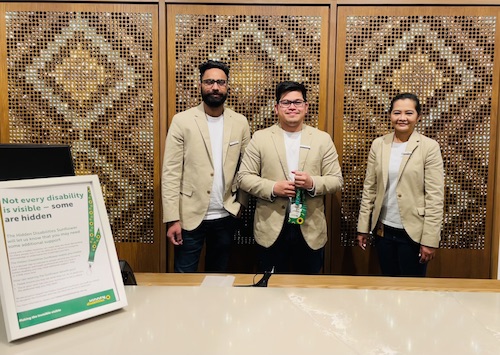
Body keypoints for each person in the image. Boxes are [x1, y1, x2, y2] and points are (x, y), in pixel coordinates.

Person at [237, 81, 343, 274]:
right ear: (277, 108)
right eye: (286, 103)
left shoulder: (322, 139)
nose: (292, 107)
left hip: (310, 228)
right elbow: (243, 177)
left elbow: (336, 179)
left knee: (308, 291)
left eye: (297, 102)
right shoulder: (261, 138)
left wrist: (312, 183)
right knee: (271, 290)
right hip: (270, 228)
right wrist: (273, 187)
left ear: (306, 107)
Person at [161, 60, 250, 273]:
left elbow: (248, 168)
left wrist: (241, 205)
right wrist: (172, 218)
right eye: (209, 82)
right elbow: (171, 172)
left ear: (227, 86)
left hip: (226, 216)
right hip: (189, 217)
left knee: (218, 280)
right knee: (184, 280)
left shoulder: (240, 122)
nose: (215, 87)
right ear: (200, 85)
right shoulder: (182, 121)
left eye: (220, 82)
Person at [356, 92, 444, 277]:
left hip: (414, 232)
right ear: (390, 115)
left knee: (412, 290)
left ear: (418, 116)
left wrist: (430, 239)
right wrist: (363, 227)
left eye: (408, 113)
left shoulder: (429, 147)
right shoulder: (379, 144)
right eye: (397, 112)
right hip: (383, 230)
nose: (402, 118)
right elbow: (370, 188)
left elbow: (435, 197)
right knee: (388, 285)